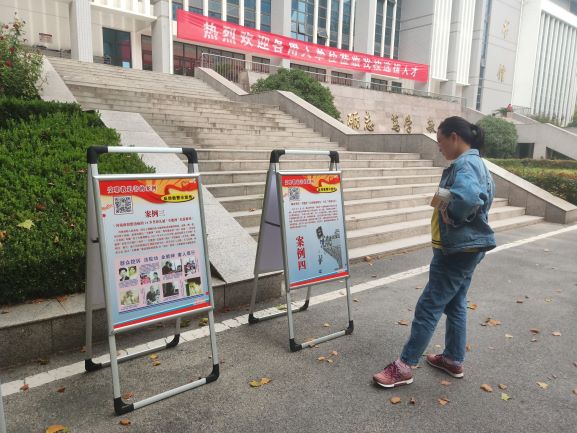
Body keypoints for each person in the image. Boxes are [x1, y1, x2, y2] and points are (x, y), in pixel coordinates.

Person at [373, 116, 496, 388]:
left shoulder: (466, 164)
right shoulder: (475, 163)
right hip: (466, 248)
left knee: (429, 306)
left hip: (455, 251)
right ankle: (452, 359)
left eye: (440, 141)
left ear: (454, 137)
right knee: (456, 303)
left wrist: (452, 215)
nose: (439, 147)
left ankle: (404, 366)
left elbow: (467, 198)